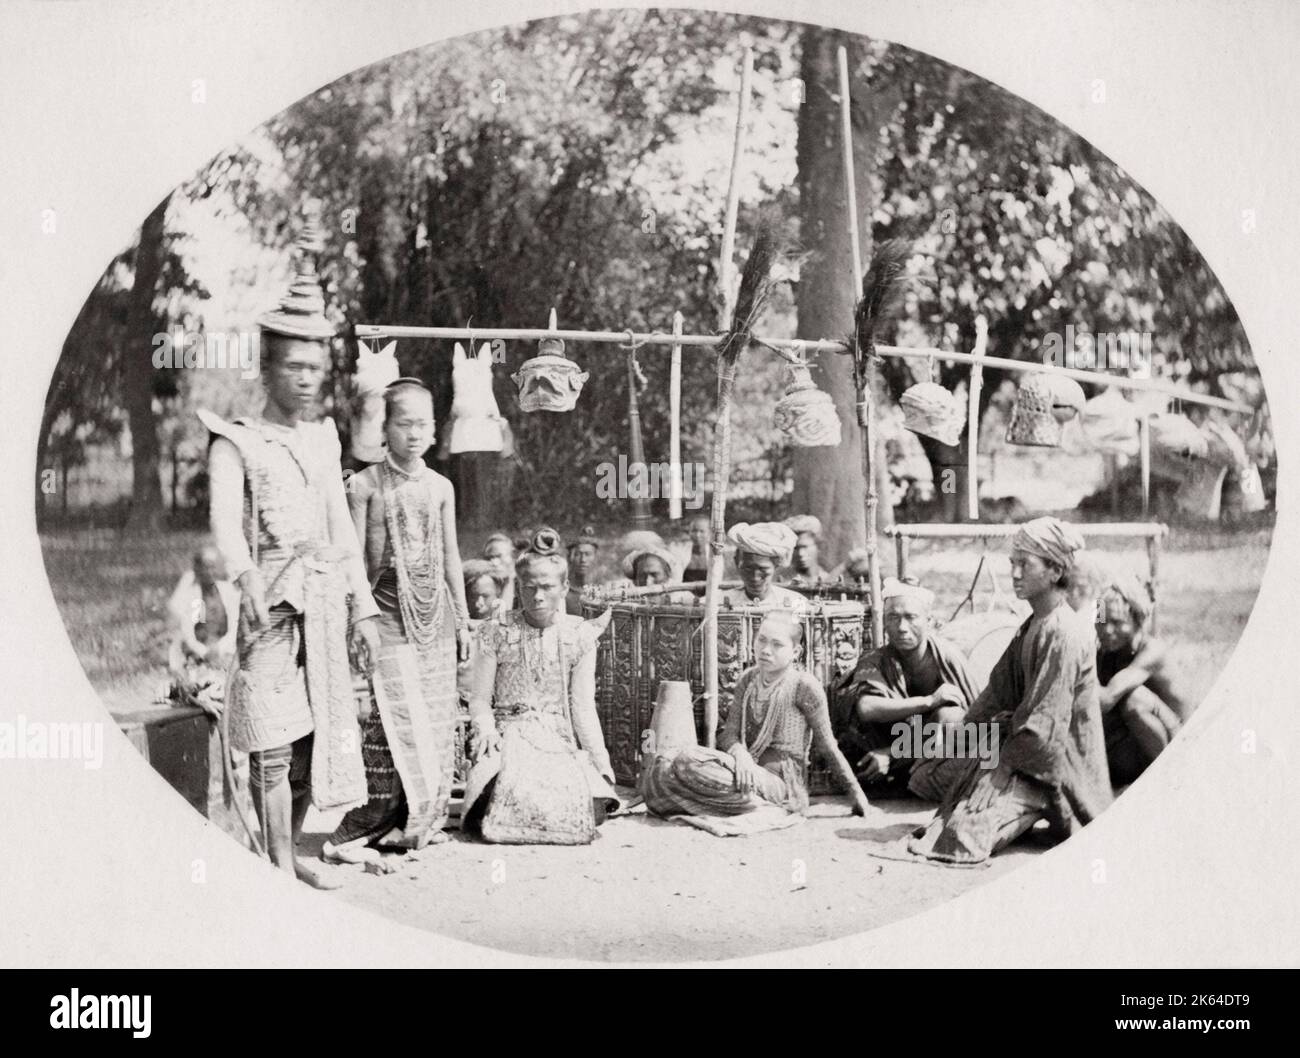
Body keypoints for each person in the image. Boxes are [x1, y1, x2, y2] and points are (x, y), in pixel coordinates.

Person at [201, 251, 381, 889]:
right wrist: (246, 577)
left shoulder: (323, 438)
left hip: (325, 606)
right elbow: (223, 525)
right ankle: (274, 865)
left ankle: (293, 848)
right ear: (266, 367)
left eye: (316, 368)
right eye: (293, 366)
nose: (306, 380)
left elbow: (339, 524)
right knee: (272, 741)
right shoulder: (236, 439)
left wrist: (363, 608)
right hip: (270, 610)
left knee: (320, 735)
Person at [322, 379, 471, 866]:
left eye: (423, 424)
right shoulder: (364, 484)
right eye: (403, 423)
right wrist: (354, 618)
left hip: (435, 620)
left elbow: (450, 557)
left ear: (435, 431)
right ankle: (372, 814)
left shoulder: (441, 487)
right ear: (384, 429)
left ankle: (417, 820)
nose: (413, 433)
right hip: (383, 614)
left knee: (431, 719)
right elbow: (352, 561)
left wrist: (465, 621)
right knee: (386, 722)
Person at [906, 517, 1112, 865]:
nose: (1014, 574)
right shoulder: (1031, 626)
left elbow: (1045, 729)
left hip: (1055, 768)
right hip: (1021, 749)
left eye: (1025, 564)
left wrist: (1000, 772)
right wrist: (957, 742)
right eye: (1012, 564)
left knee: (961, 836)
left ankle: (1040, 809)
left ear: (1054, 570)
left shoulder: (1064, 633)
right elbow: (994, 695)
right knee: (926, 778)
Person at [462, 528, 619, 845]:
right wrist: (486, 730)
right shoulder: (497, 632)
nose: (537, 597)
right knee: (490, 793)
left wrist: (602, 764)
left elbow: (583, 707)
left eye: (547, 587)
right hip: (508, 735)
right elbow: (479, 700)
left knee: (596, 804)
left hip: (555, 738)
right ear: (518, 587)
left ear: (564, 588)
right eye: (529, 587)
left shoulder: (578, 636)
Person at [643, 611, 870, 826]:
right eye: (761, 640)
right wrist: (742, 757)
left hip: (782, 784)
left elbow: (827, 746)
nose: (765, 650)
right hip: (744, 770)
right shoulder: (748, 679)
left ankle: (751, 803)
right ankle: (739, 802)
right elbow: (729, 733)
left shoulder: (804, 686)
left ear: (796, 652)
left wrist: (856, 794)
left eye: (777, 644)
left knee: (687, 760)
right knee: (664, 763)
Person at [841, 578, 982, 800]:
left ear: (930, 621)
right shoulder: (874, 660)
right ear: (884, 623)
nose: (902, 628)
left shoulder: (948, 658)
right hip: (886, 747)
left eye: (911, 617)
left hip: (927, 752)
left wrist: (893, 754)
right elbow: (867, 708)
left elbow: (979, 720)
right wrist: (928, 701)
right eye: (893, 618)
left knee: (951, 716)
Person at [1095, 572, 1191, 786]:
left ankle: (1167, 780)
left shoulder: (1152, 652)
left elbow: (1105, 699)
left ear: (1138, 619)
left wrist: (1076, 663)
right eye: (1101, 622)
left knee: (1134, 700)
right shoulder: (1107, 653)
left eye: (1117, 622)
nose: (1106, 630)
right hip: (1139, 744)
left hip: (1183, 746)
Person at [164, 545, 240, 712]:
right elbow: (188, 632)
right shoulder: (193, 594)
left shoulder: (226, 591)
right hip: (198, 656)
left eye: (213, 567)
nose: (209, 572)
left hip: (224, 653)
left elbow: (235, 626)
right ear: (197, 569)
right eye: (205, 567)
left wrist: (219, 649)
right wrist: (204, 652)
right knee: (199, 685)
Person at [721, 522, 807, 611]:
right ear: (736, 563)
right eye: (747, 569)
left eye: (763, 569)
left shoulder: (796, 603)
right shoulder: (716, 602)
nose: (755, 577)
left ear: (776, 565)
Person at [782, 515, 834, 586]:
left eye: (805, 547)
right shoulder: (781, 578)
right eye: (795, 548)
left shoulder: (829, 580)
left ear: (818, 546)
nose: (800, 553)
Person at [566, 526, 599, 615]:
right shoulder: (562, 593)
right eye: (578, 554)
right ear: (569, 558)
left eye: (587, 554)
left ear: (595, 558)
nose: (583, 560)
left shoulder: (603, 591)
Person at [483, 532, 516, 612]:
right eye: (489, 558)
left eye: (498, 556)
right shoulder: (482, 586)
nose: (493, 562)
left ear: (512, 557)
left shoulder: (525, 583)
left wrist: (509, 581)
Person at [682, 515, 710, 583]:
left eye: (702, 531)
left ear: (709, 533)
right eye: (694, 531)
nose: (697, 535)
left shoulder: (714, 553)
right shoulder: (682, 552)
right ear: (689, 532)